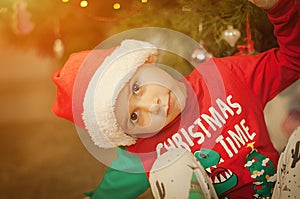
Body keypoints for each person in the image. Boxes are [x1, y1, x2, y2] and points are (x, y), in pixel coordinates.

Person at [52, 0, 300, 198]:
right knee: (171, 166)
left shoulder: (224, 77)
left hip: (278, 190)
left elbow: (293, 60)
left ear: (146, 61)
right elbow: (114, 188)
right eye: (135, 117)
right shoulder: (145, 150)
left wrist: (280, 8)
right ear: (129, 135)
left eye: (137, 88)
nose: (152, 106)